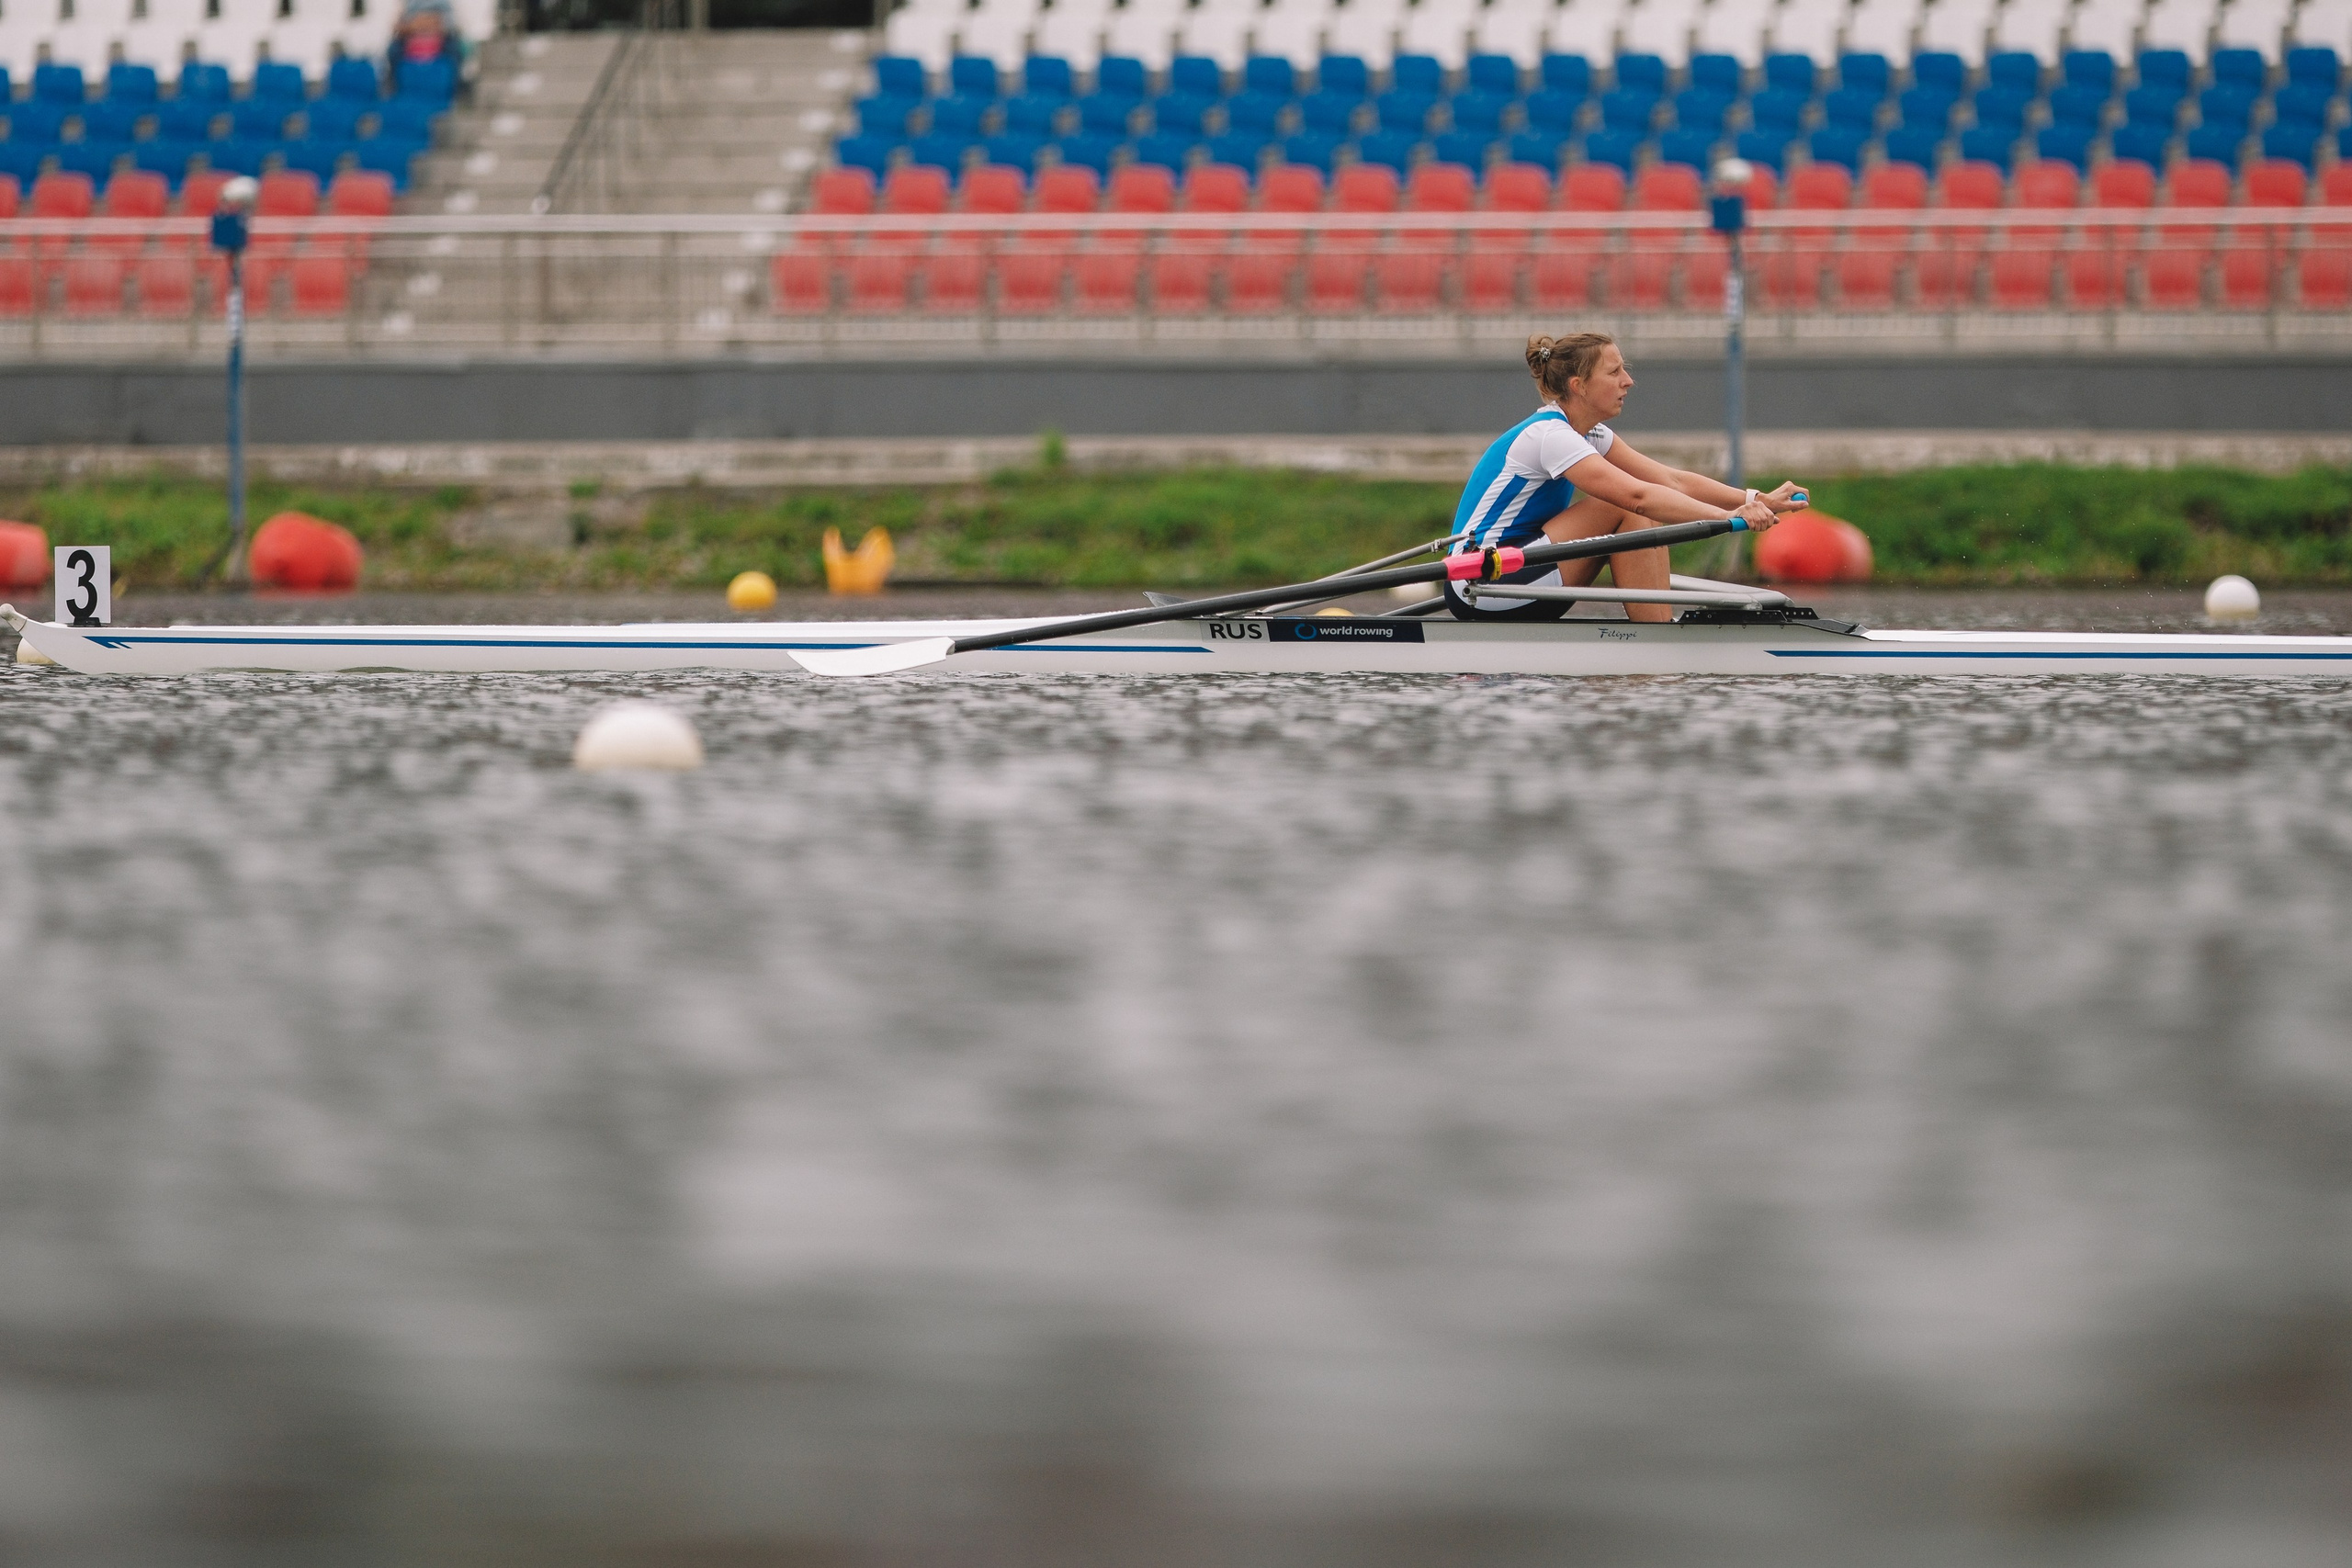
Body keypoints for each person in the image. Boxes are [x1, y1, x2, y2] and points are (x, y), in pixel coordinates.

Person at [1446, 333, 1809, 623]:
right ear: (1579, 386)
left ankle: (1658, 630)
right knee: (1623, 507)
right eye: (1615, 371)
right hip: (1481, 583)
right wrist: (1728, 518)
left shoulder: (1591, 433)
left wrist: (1754, 500)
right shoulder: (1549, 436)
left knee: (1636, 513)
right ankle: (1658, 639)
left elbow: (1672, 480)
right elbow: (1637, 496)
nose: (1629, 381)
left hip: (1525, 575)